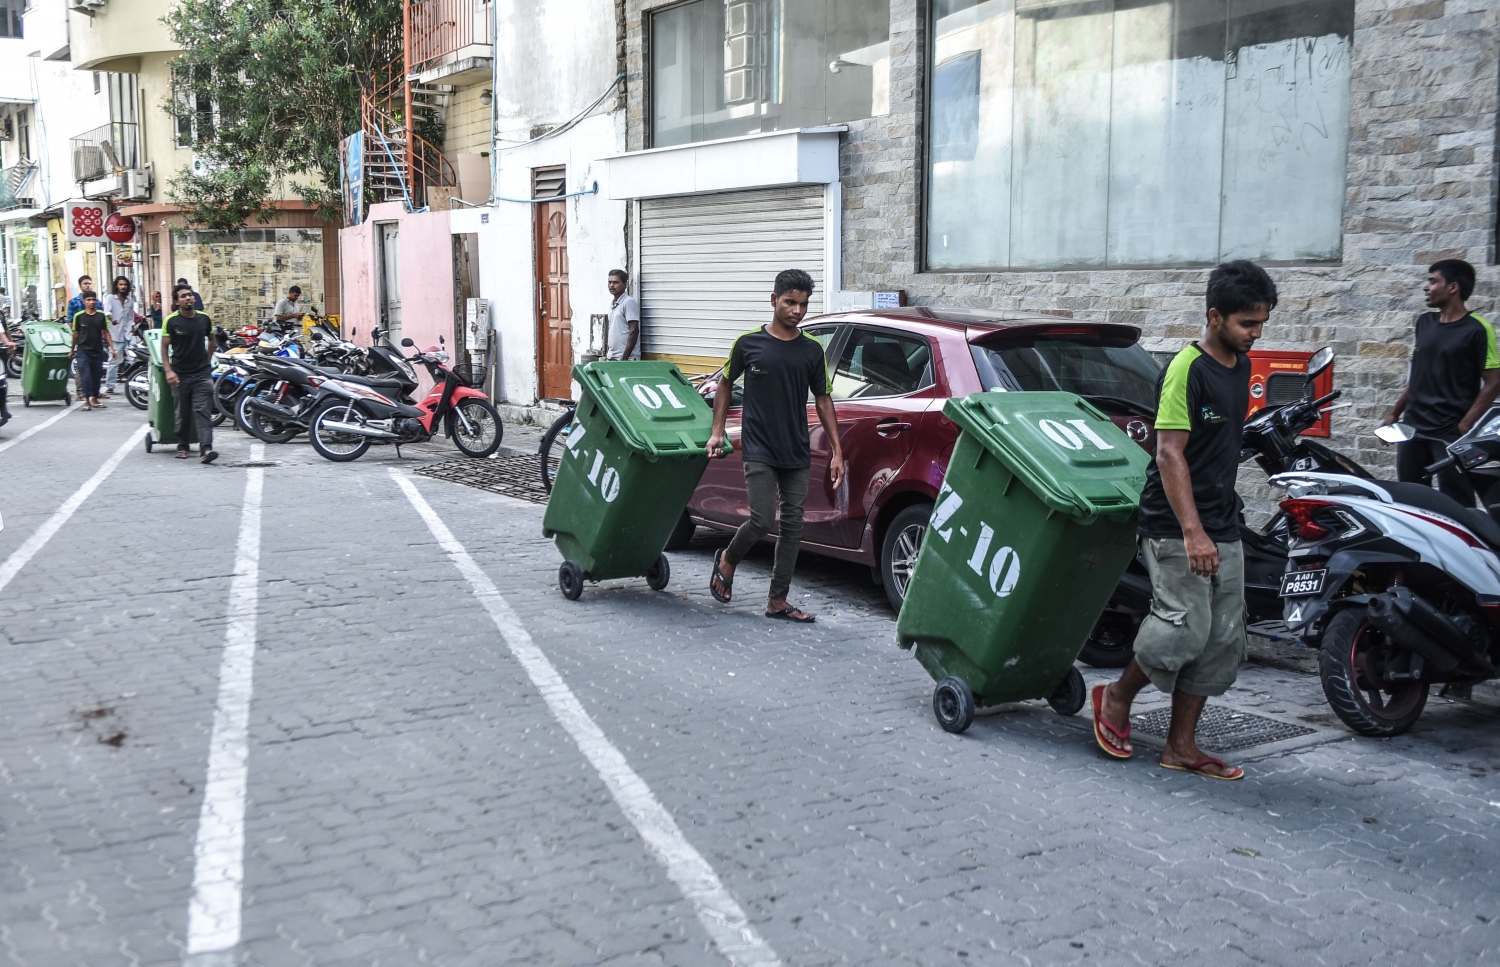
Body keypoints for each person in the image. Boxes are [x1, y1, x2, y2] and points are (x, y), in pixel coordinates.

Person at [1093, 260, 1276, 781]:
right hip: (1176, 524)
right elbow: (1170, 454)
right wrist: (1193, 532)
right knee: (1183, 630)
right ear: (1215, 316)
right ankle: (1115, 699)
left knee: (1222, 639)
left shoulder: (1240, 366)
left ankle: (1181, 746)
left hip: (1222, 521)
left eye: (1262, 323)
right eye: (1247, 324)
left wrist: (1217, 525)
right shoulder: (1186, 369)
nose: (1256, 333)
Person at [706, 268, 845, 623]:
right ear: (774, 300)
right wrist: (717, 431)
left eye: (803, 304)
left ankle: (777, 600)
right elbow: (724, 384)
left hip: (796, 448)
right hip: (758, 447)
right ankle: (729, 558)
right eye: (790, 302)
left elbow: (824, 399)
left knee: (794, 526)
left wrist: (836, 452)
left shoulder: (812, 350)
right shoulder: (748, 343)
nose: (797, 310)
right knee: (762, 518)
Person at [1381, 259, 1500, 506]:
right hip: (1413, 427)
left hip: (1449, 431)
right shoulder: (1424, 322)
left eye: (1433, 281)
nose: (1426, 287)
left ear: (1453, 287)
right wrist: (1394, 414)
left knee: (1457, 501)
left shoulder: (1478, 328)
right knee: (1410, 497)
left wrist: (1466, 425)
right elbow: (1418, 375)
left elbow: (1493, 381)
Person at [163, 287, 217, 464]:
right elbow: (164, 347)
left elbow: (212, 340)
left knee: (203, 411)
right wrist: (168, 370)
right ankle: (182, 445)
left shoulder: (204, 318)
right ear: (177, 302)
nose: (188, 298)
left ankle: (206, 449)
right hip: (180, 374)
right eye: (183, 296)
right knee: (183, 413)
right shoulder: (171, 321)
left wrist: (207, 362)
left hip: (201, 374)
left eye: (190, 295)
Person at [70, 291, 114, 411]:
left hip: (97, 351)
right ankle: (87, 401)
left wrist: (112, 349)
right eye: (88, 300)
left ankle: (95, 398)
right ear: (84, 301)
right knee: (86, 376)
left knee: (96, 376)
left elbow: (106, 333)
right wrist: (72, 350)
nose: (91, 302)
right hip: (83, 351)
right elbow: (75, 334)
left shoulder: (101, 316)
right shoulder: (78, 316)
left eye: (93, 300)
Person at [102, 276, 136, 396]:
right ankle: (110, 385)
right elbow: (107, 312)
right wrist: (112, 319)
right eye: (120, 284)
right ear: (116, 285)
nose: (123, 287)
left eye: (125, 285)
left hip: (128, 334)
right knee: (114, 360)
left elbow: (131, 317)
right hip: (115, 334)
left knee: (135, 357)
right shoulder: (110, 298)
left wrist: (132, 328)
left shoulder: (129, 300)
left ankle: (136, 382)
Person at [606, 270, 641, 360]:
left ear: (624, 285)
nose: (611, 285)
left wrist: (625, 357)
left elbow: (634, 330)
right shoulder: (613, 304)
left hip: (626, 359)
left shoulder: (628, 302)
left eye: (615, 282)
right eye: (610, 282)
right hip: (612, 357)